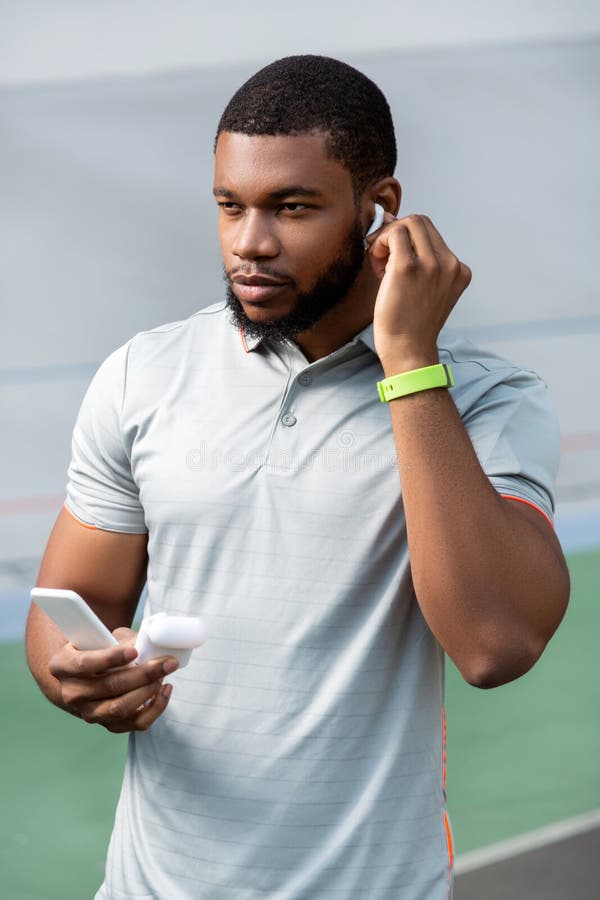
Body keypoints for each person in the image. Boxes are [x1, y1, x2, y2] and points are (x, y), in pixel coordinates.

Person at [25, 55, 570, 899]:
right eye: (229, 206)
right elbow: (70, 611)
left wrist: (410, 363)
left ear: (378, 208)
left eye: (293, 207)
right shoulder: (144, 375)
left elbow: (495, 645)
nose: (251, 242)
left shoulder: (492, 404)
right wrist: (79, 673)